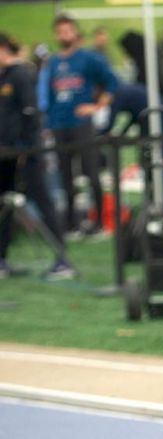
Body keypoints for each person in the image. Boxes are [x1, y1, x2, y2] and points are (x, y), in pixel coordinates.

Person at [0, 32, 75, 280]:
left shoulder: (20, 75)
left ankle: (62, 260)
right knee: (5, 206)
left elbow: (31, 115)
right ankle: (2, 260)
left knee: (43, 202)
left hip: (27, 154)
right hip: (7, 154)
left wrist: (26, 148)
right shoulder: (4, 77)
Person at [43, 15, 117, 236]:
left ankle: (99, 223)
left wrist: (96, 106)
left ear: (75, 33)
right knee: (65, 176)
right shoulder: (54, 62)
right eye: (60, 31)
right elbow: (50, 95)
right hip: (59, 125)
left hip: (81, 124)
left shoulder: (88, 59)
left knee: (91, 172)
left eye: (68, 31)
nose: (64, 35)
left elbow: (112, 82)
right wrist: (49, 122)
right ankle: (71, 223)